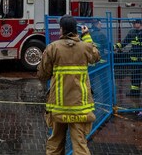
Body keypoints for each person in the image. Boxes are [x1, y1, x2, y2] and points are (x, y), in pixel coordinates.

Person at [38, 15, 101, 155]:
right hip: (80, 107)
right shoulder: (85, 47)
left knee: (55, 144)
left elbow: (42, 75)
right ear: (75, 30)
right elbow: (96, 56)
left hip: (58, 106)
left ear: (61, 29)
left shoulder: (52, 48)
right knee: (80, 145)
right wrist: (87, 36)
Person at [115, 19, 142, 98]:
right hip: (135, 60)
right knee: (135, 76)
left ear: (140, 24)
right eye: (133, 24)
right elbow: (125, 42)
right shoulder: (132, 32)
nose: (134, 25)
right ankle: (134, 92)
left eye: (135, 23)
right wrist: (115, 47)